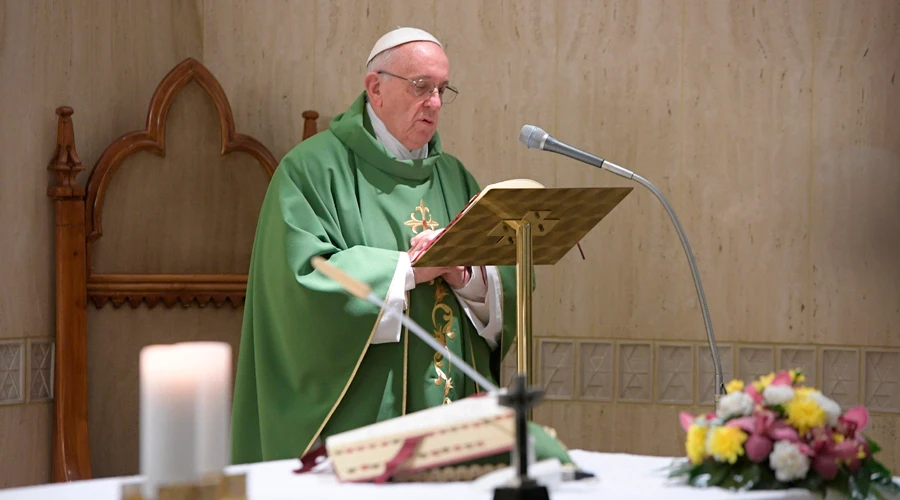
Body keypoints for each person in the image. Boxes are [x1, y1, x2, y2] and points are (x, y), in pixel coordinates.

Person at [230, 27, 567, 467]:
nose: (434, 103)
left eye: (442, 89)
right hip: (364, 425)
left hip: (452, 424)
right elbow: (299, 283)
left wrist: (465, 276)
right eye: (421, 87)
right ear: (376, 88)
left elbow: (503, 274)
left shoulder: (454, 176)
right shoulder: (310, 170)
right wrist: (407, 269)